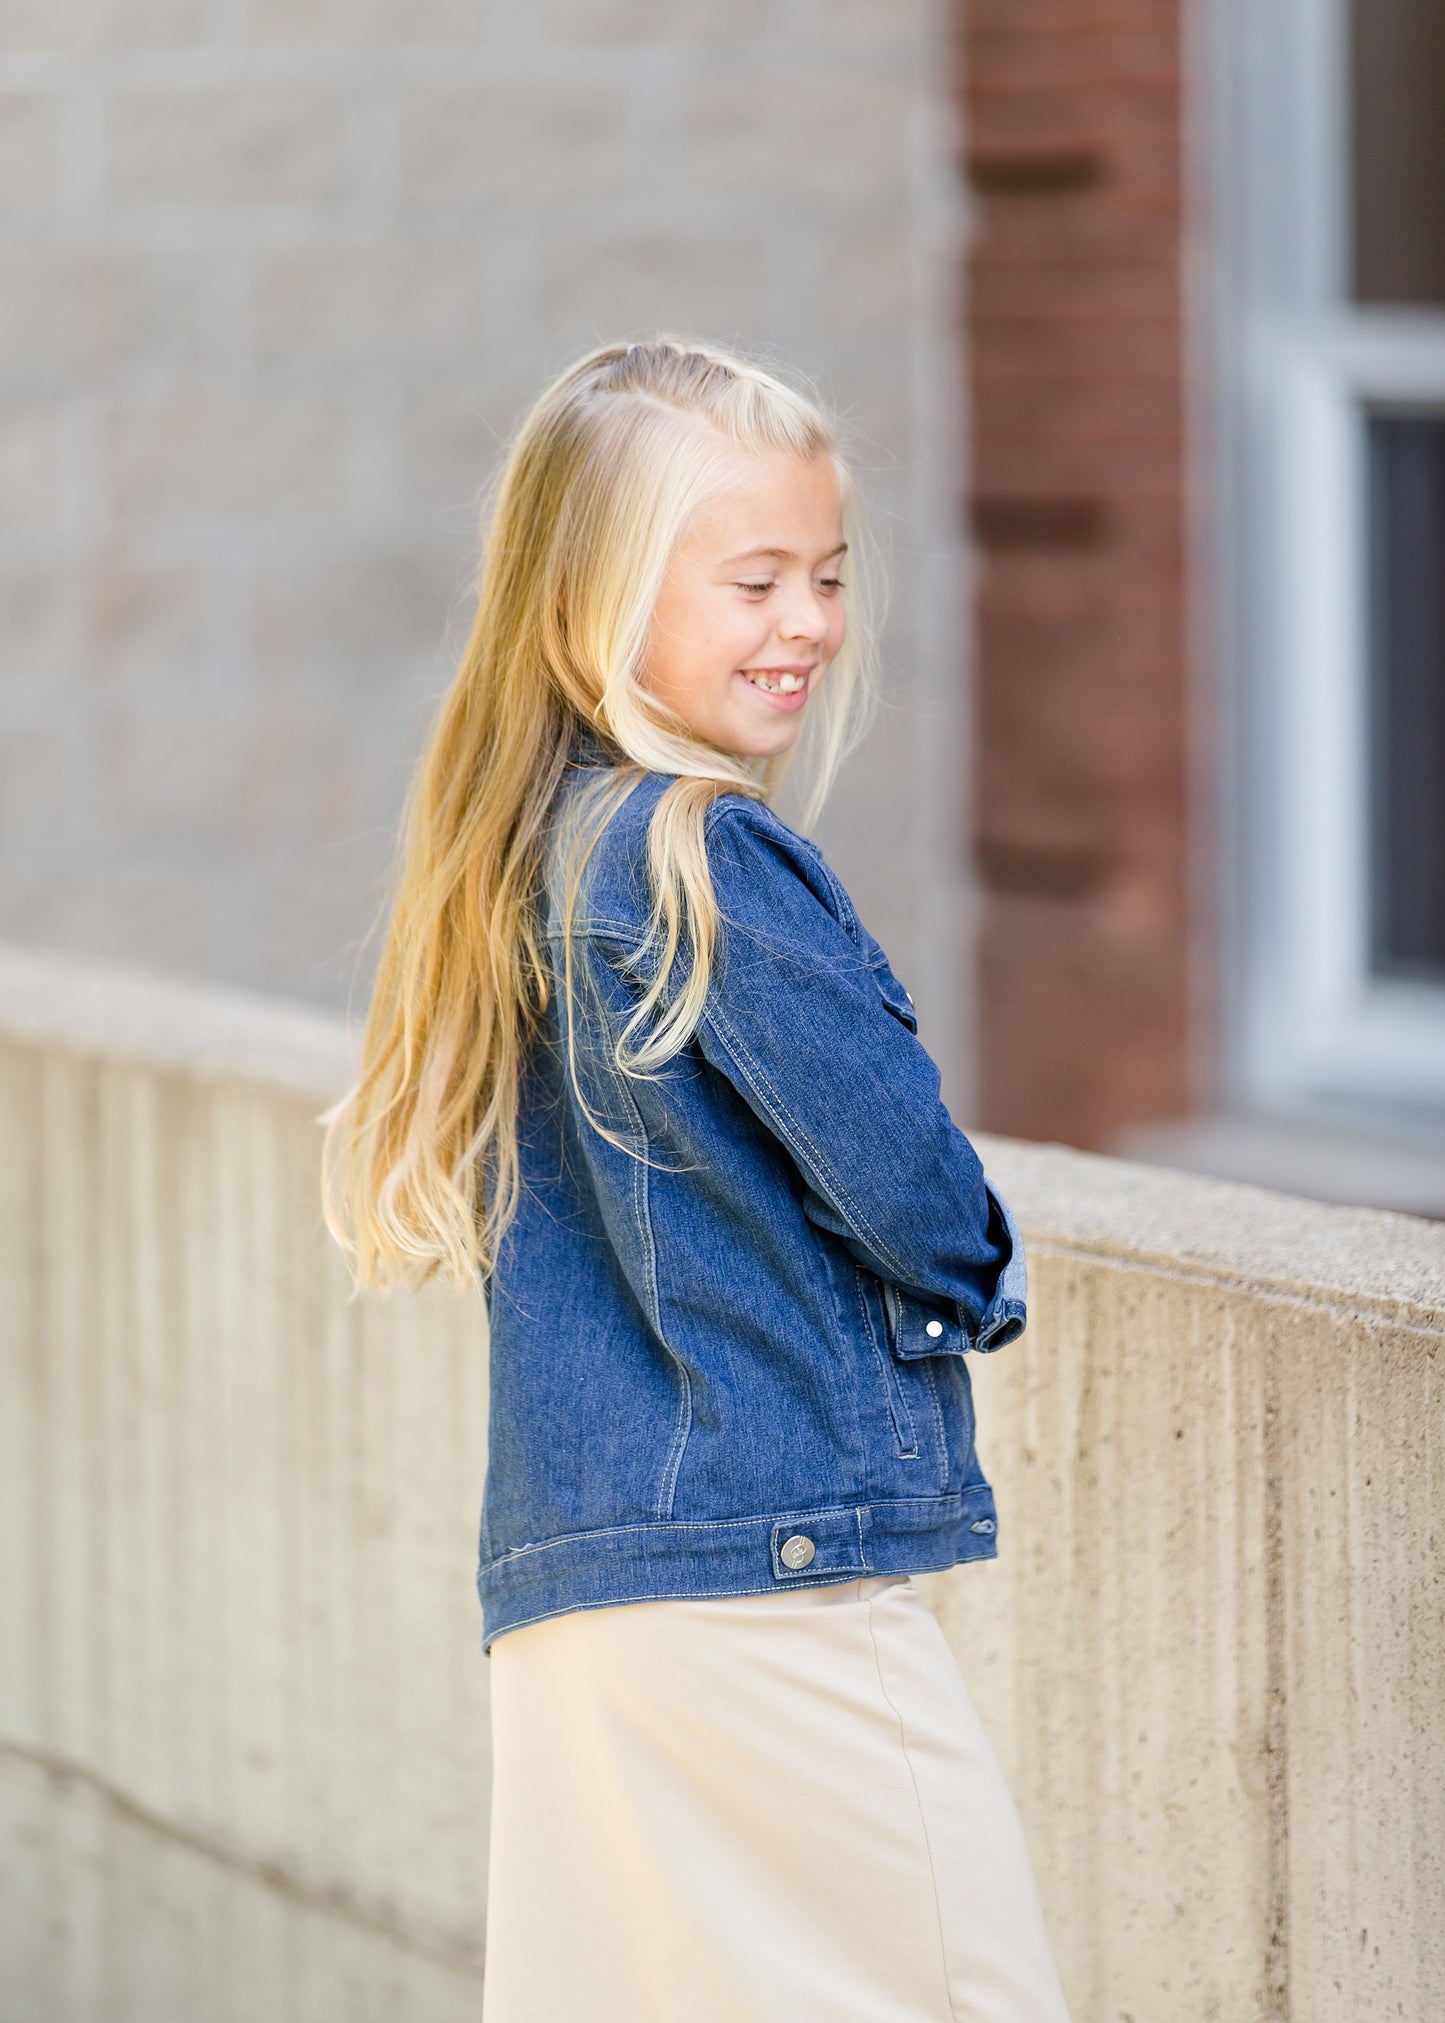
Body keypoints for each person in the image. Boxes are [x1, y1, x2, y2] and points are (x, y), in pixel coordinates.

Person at [321, 336, 1072, 2022]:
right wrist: (973, 1270)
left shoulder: (524, 857)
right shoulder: (696, 854)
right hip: (771, 1592)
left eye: (826, 575)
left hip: (589, 1605)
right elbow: (913, 1190)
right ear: (594, 593)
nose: (807, 621)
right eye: (753, 580)